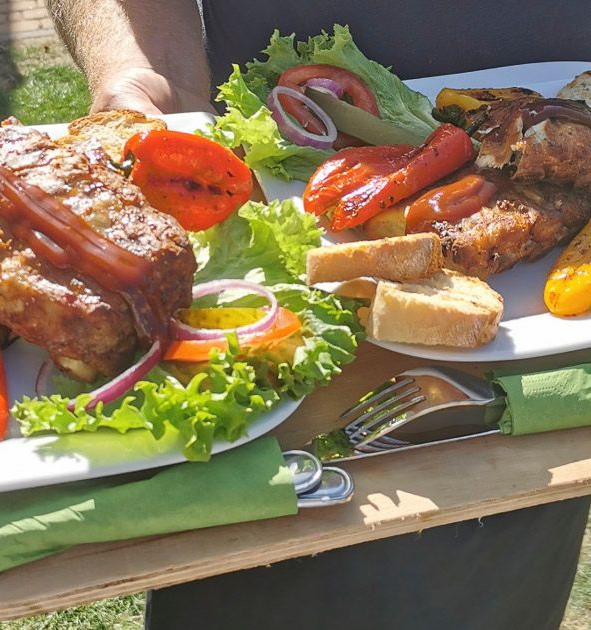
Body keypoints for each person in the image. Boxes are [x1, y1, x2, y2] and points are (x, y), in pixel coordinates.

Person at [47, 2, 591, 628]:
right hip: (285, 286)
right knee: (264, 585)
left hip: (544, 389)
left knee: (501, 588)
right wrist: (144, 76)